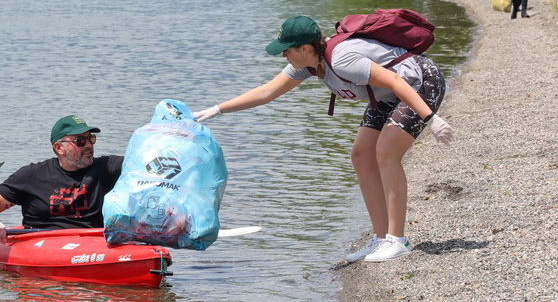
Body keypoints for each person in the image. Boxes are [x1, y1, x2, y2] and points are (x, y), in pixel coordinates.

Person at [193, 15, 453, 263]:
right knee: (361, 154)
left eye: (287, 50)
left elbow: (396, 80)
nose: (283, 55)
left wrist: (431, 119)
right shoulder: (307, 64)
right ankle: (380, 237)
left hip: (418, 82)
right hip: (386, 94)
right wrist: (217, 109)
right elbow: (267, 92)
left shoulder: (342, 60)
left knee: (386, 152)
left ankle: (398, 241)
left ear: (305, 48)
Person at [0, 115, 123, 240]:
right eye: (80, 141)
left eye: (90, 138)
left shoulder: (106, 167)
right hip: (42, 243)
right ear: (59, 148)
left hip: (90, 243)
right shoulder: (32, 175)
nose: (88, 145)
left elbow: (138, 162)